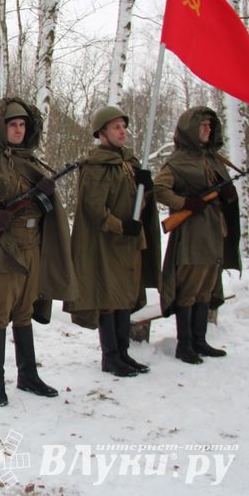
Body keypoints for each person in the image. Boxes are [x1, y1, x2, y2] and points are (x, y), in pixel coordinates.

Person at [0, 97, 77, 407]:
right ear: (1, 127)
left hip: (33, 246)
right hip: (2, 246)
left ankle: (28, 375)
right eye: (13, 125)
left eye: (22, 125)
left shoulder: (32, 161)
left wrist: (47, 192)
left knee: (24, 311)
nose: (18, 130)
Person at [64, 106, 161, 377]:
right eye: (116, 127)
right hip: (107, 245)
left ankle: (123, 353)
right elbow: (94, 210)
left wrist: (146, 187)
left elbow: (137, 204)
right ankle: (111, 357)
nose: (123, 131)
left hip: (128, 245)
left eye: (123, 126)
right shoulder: (96, 166)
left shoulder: (128, 164)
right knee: (109, 300)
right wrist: (122, 226)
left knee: (124, 300)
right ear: (102, 133)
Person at [154, 107, 241, 364]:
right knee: (189, 291)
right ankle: (185, 344)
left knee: (205, 290)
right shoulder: (178, 161)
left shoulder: (214, 160)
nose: (207, 129)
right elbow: (159, 188)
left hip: (214, 233)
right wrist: (184, 204)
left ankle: (200, 340)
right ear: (190, 129)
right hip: (192, 237)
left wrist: (227, 195)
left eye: (209, 125)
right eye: (202, 125)